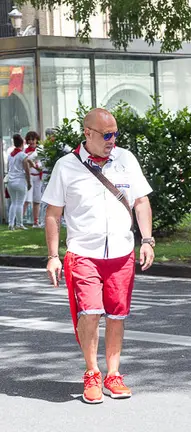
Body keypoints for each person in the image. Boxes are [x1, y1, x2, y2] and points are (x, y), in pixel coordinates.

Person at [42, 108, 155, 404]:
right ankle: (92, 372)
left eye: (115, 133)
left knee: (117, 315)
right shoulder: (66, 167)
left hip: (121, 252)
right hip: (84, 253)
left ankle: (113, 374)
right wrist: (53, 256)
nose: (112, 140)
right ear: (87, 134)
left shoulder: (126, 159)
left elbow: (141, 202)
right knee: (90, 312)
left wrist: (147, 240)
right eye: (106, 135)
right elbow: (53, 214)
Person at [6, 134, 31, 230]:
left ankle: (11, 223)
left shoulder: (10, 155)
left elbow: (8, 168)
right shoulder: (22, 155)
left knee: (13, 202)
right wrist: (29, 182)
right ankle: (19, 224)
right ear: (22, 143)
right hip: (20, 180)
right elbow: (27, 170)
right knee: (20, 202)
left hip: (10, 181)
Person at [23, 131, 44, 227]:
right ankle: (19, 221)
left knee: (37, 200)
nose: (31, 141)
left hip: (39, 177)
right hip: (29, 176)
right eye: (29, 139)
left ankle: (36, 222)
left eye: (33, 139)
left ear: (36, 140)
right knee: (27, 200)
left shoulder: (41, 150)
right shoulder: (24, 151)